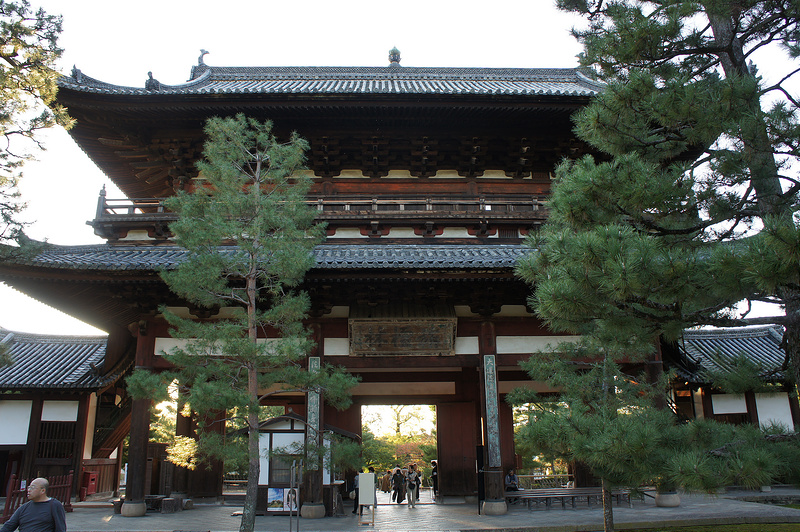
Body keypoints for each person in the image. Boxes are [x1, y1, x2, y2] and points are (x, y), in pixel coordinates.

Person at [0, 477, 66, 532]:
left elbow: (60, 528)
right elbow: (9, 526)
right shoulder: (24, 507)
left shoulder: (54, 505)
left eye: (32, 488)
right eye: (28, 487)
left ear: (43, 490)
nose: (29, 490)